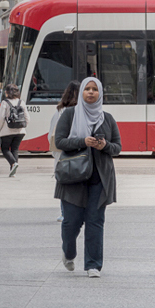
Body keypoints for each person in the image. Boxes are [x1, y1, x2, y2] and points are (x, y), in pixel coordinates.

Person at [54, 77, 121, 278]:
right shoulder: (69, 114)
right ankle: (69, 252)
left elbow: (117, 147)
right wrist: (82, 141)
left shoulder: (107, 118)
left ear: (100, 93)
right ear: (81, 92)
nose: (90, 93)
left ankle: (93, 265)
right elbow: (59, 141)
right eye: (87, 89)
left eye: (94, 89)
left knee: (95, 221)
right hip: (73, 176)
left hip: (100, 178)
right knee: (71, 222)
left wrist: (104, 146)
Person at [49, 81, 80, 223]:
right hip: (80, 154)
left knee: (64, 185)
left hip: (63, 155)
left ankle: (64, 213)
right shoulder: (82, 111)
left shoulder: (60, 111)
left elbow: (52, 135)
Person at [0, 84, 27, 177]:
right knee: (15, 149)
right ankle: (13, 172)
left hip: (7, 131)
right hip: (20, 131)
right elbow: (27, 117)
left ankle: (13, 163)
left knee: (4, 149)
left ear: (7, 92)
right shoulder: (22, 102)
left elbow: (0, 118)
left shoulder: (5, 103)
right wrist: (23, 126)